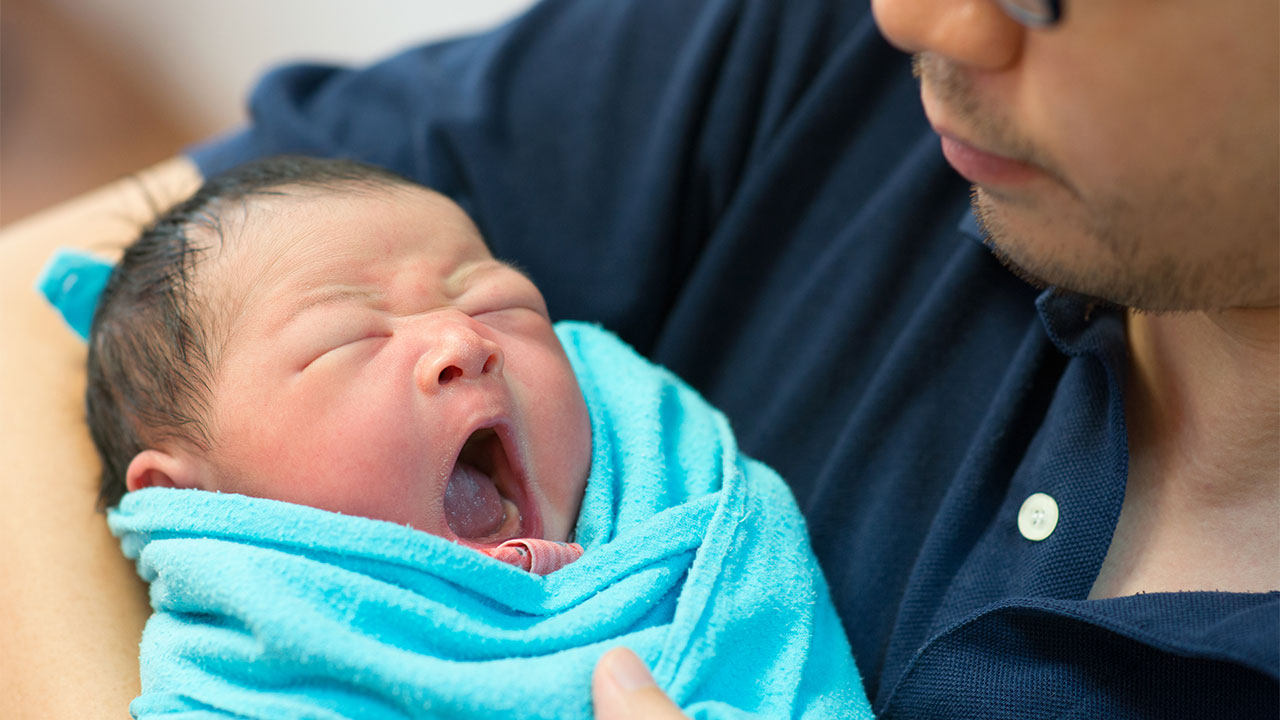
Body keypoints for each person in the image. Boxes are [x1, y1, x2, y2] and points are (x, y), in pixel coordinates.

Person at [1, 0, 1274, 717]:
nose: (916, 18)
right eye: (347, 340)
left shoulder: (685, 516)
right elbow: (24, 307)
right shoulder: (815, 57)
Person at [78, 154, 871, 718]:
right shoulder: (246, 684)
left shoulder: (685, 530)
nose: (464, 341)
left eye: (498, 302)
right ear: (196, 500)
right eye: (351, 339)